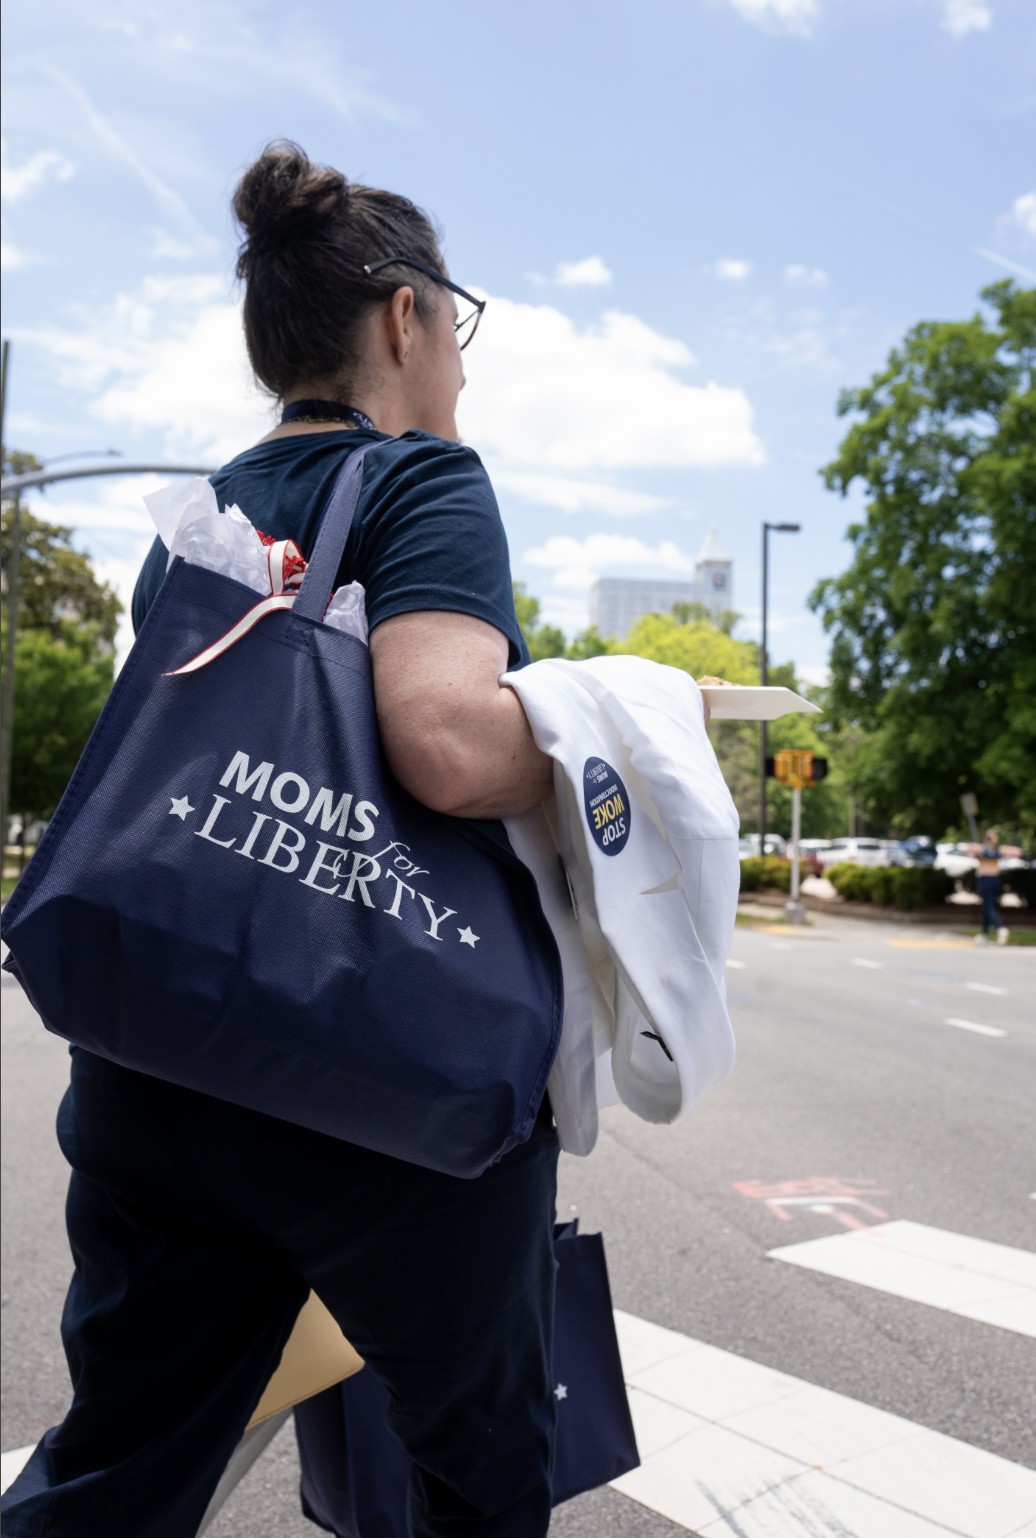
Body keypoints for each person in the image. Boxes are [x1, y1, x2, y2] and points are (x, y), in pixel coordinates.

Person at [2, 142, 561, 1538]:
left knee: (120, 1469)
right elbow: (445, 743)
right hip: (372, 1080)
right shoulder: (428, 484)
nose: (462, 362)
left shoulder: (199, 521)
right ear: (405, 317)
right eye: (458, 323)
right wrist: (607, 730)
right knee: (481, 1476)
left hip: (158, 1057)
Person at [974, 827, 1009, 946]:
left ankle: (1000, 928)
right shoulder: (997, 851)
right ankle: (984, 934)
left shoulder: (982, 850)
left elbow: (967, 850)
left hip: (985, 881)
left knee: (989, 907)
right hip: (995, 881)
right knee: (987, 907)